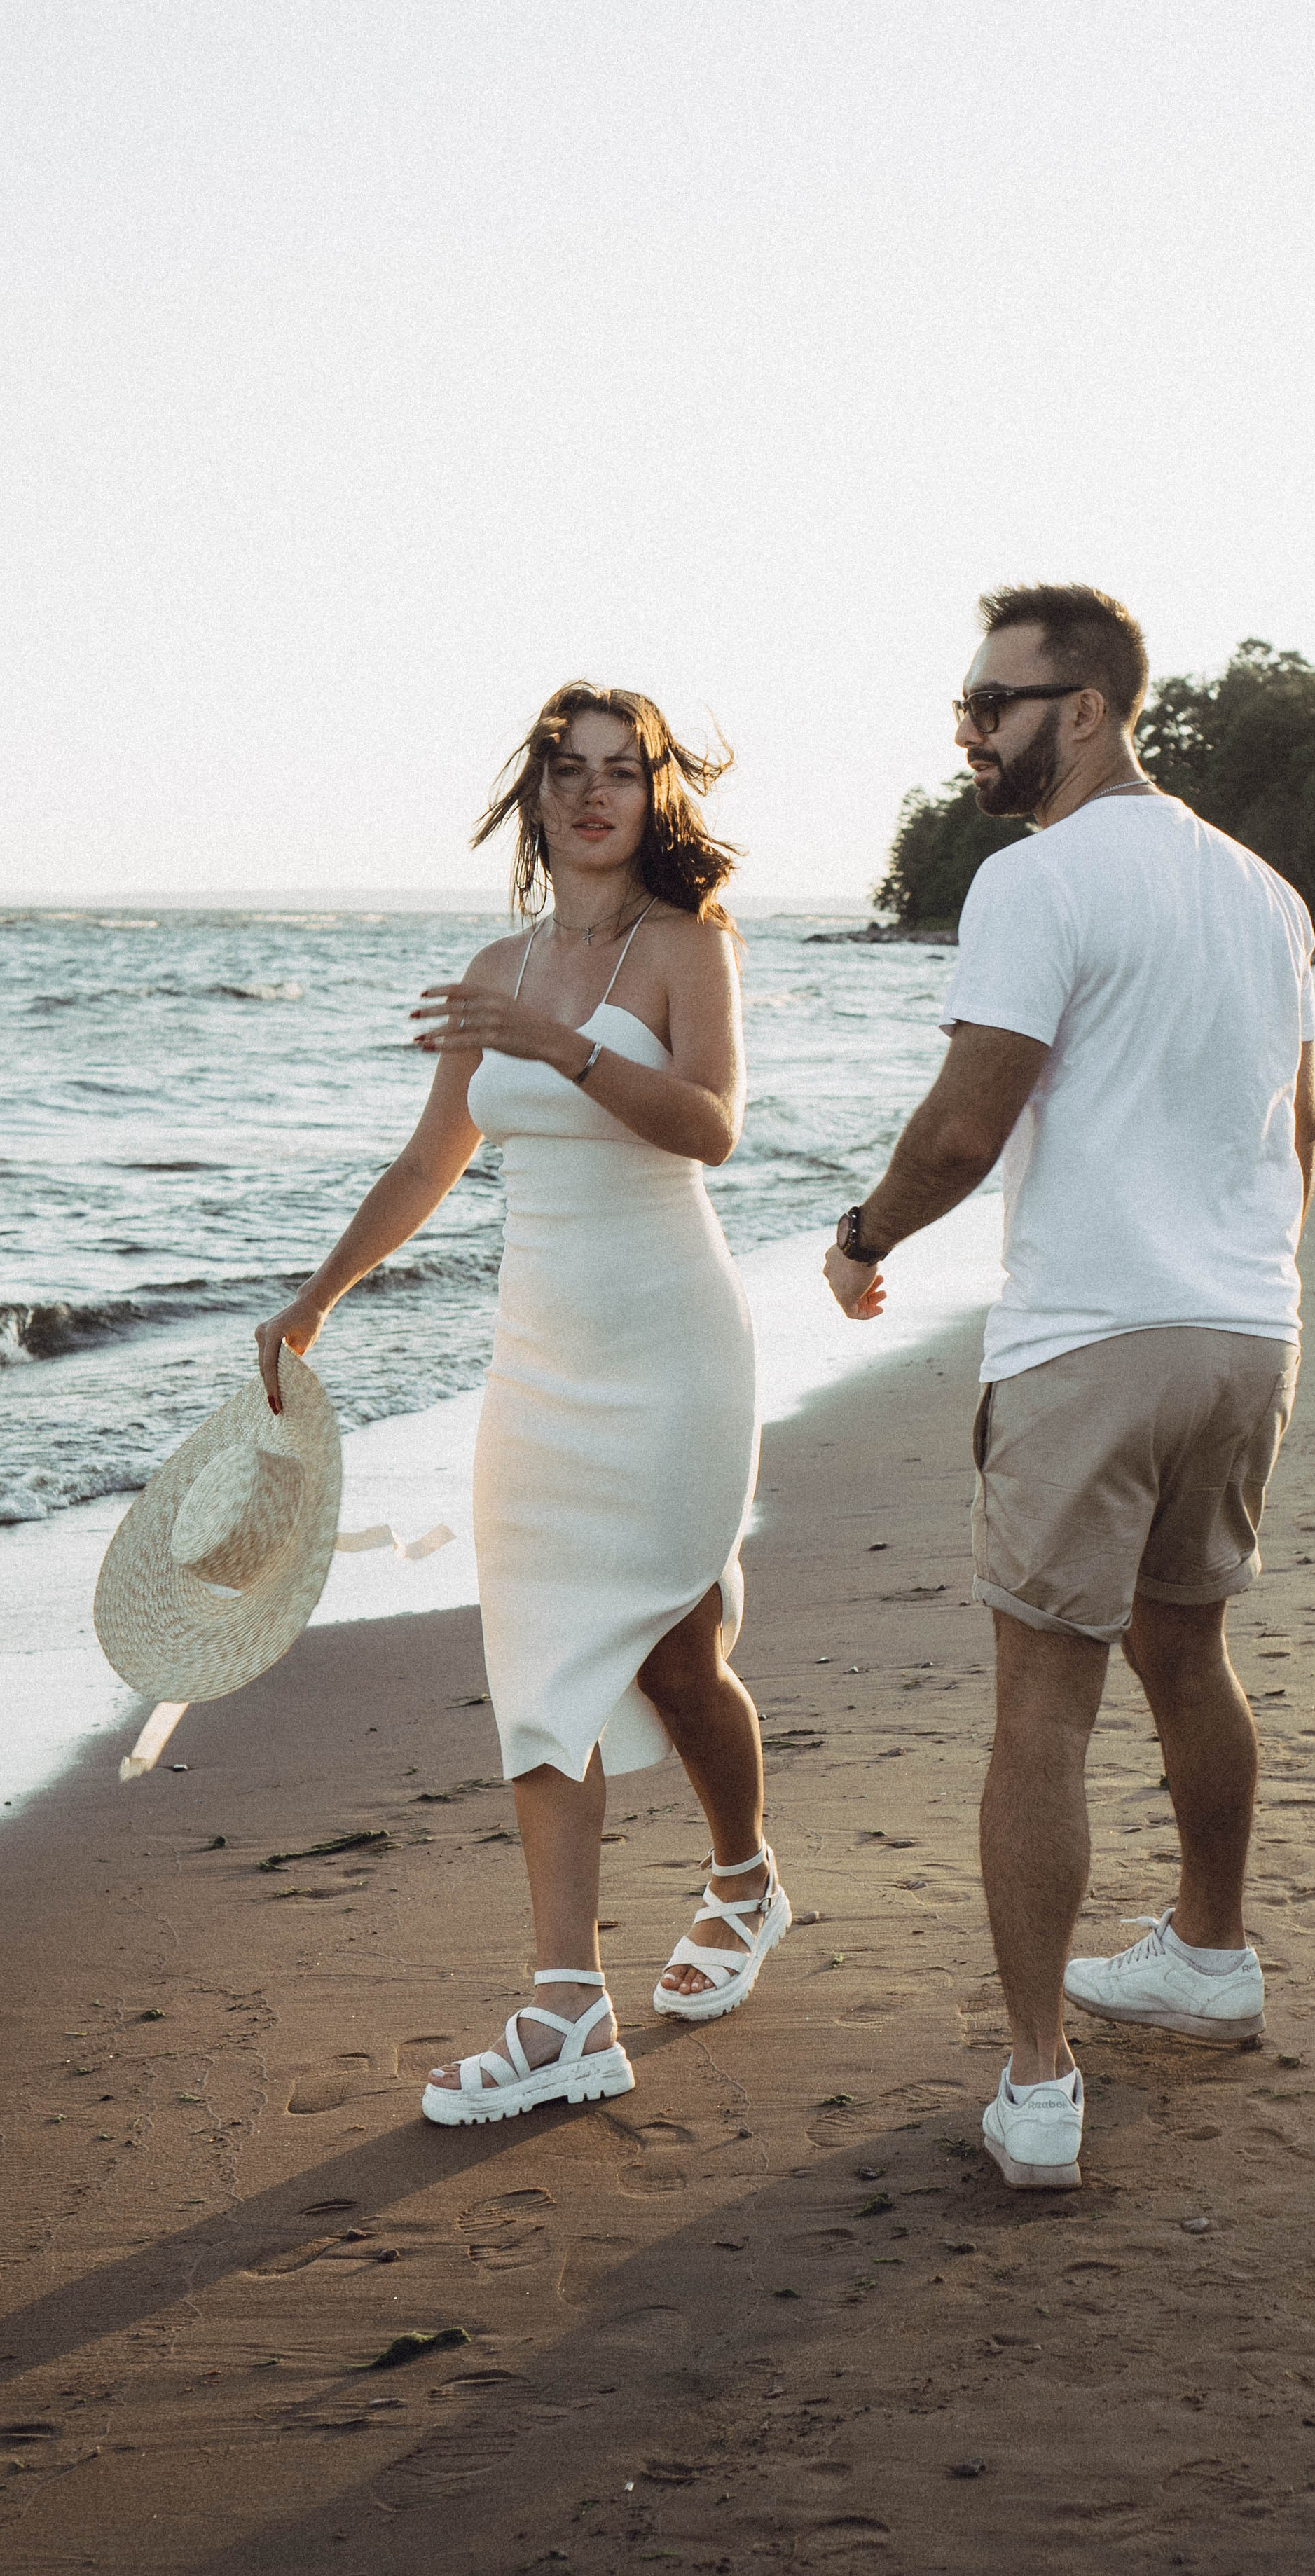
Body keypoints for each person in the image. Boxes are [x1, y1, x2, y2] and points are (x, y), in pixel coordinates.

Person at [822, 584, 1315, 2191]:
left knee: (1040, 1705)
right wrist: (1237, 1279)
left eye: (992, 703)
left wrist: (857, 1237)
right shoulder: (1263, 893)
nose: (967, 731)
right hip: (1243, 1333)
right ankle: (1211, 1954)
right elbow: (1293, 1139)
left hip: (1092, 1339)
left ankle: (1038, 2082)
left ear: (1086, 708)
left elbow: (965, 1128)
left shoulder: (1032, 880)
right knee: (1190, 1651)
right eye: (964, 705)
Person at [256, 684, 788, 2128]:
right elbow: (428, 1165)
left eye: (623, 774)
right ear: (536, 795)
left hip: (673, 1347)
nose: (595, 795)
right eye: (570, 771)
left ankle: (744, 1879)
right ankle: (567, 2006)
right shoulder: (496, 965)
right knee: (542, 1659)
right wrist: (316, 1298)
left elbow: (712, 1127)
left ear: (653, 798)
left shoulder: (685, 947)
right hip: (539, 1364)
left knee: (680, 1659)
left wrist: (560, 1046)